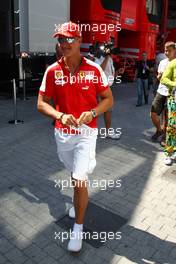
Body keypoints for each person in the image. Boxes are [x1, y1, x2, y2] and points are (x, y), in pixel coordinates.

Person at [37, 21, 113, 252]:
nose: (64, 44)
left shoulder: (94, 69)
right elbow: (41, 103)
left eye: (69, 39)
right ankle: (77, 199)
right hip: (62, 134)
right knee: (74, 174)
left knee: (79, 178)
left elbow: (108, 100)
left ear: (80, 41)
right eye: (61, 40)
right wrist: (59, 114)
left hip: (86, 132)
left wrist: (91, 113)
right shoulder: (52, 71)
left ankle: (77, 228)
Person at [150, 42, 176, 142]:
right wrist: (158, 77)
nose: (166, 52)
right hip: (161, 91)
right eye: (165, 50)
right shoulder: (162, 62)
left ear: (174, 50)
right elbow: (159, 76)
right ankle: (159, 130)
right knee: (153, 114)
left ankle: (165, 137)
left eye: (169, 50)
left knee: (167, 116)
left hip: (172, 93)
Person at [95, 49, 121, 139]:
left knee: (107, 111)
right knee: (100, 110)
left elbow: (110, 74)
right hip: (100, 88)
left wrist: (117, 73)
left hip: (107, 87)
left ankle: (107, 131)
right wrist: (106, 57)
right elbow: (100, 70)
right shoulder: (98, 59)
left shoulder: (110, 59)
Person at [160, 57, 176, 165]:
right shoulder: (173, 63)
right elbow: (163, 79)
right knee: (172, 127)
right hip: (174, 100)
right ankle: (169, 153)